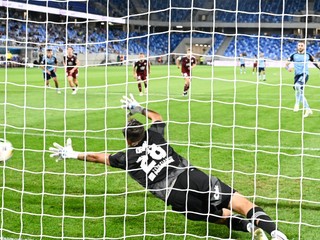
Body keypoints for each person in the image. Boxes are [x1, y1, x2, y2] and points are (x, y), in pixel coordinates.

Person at [49, 94, 288, 240]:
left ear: (127, 139)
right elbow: (158, 116)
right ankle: (275, 233)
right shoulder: (155, 136)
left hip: (173, 196)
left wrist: (72, 154)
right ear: (142, 132)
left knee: (217, 217)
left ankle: (248, 228)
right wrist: (139, 108)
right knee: (241, 204)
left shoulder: (126, 158)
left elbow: (97, 158)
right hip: (190, 177)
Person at [285, 41, 320, 118]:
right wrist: (288, 68)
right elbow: (286, 64)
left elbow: (315, 63)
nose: (300, 47)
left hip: (305, 74)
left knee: (297, 86)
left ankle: (297, 104)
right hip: (297, 75)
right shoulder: (293, 55)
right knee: (299, 92)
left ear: (304, 47)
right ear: (297, 47)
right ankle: (308, 109)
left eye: (302, 45)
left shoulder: (308, 55)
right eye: (299, 45)